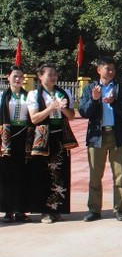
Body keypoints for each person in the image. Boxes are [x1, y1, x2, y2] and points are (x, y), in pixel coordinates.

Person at [78, 56, 122, 222]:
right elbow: (84, 112)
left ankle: (120, 209)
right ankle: (94, 210)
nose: (110, 72)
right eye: (107, 68)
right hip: (97, 136)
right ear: (99, 70)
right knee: (95, 175)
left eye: (112, 69)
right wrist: (95, 100)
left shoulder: (120, 88)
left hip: (117, 135)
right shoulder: (90, 89)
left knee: (119, 175)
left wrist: (114, 101)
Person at [27, 63, 75, 223]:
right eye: (50, 74)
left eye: (55, 74)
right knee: (42, 173)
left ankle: (57, 209)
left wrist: (62, 109)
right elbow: (34, 118)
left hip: (60, 137)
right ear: (40, 77)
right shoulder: (34, 95)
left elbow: (71, 116)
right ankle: (44, 211)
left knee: (60, 172)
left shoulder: (63, 93)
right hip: (42, 139)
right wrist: (50, 108)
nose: (54, 77)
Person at [0, 66, 32, 223]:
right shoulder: (2, 96)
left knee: (23, 173)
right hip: (6, 138)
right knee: (7, 174)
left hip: (24, 136)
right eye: (15, 76)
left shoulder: (29, 96)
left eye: (20, 76)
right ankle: (8, 210)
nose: (18, 79)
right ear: (8, 78)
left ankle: (21, 210)